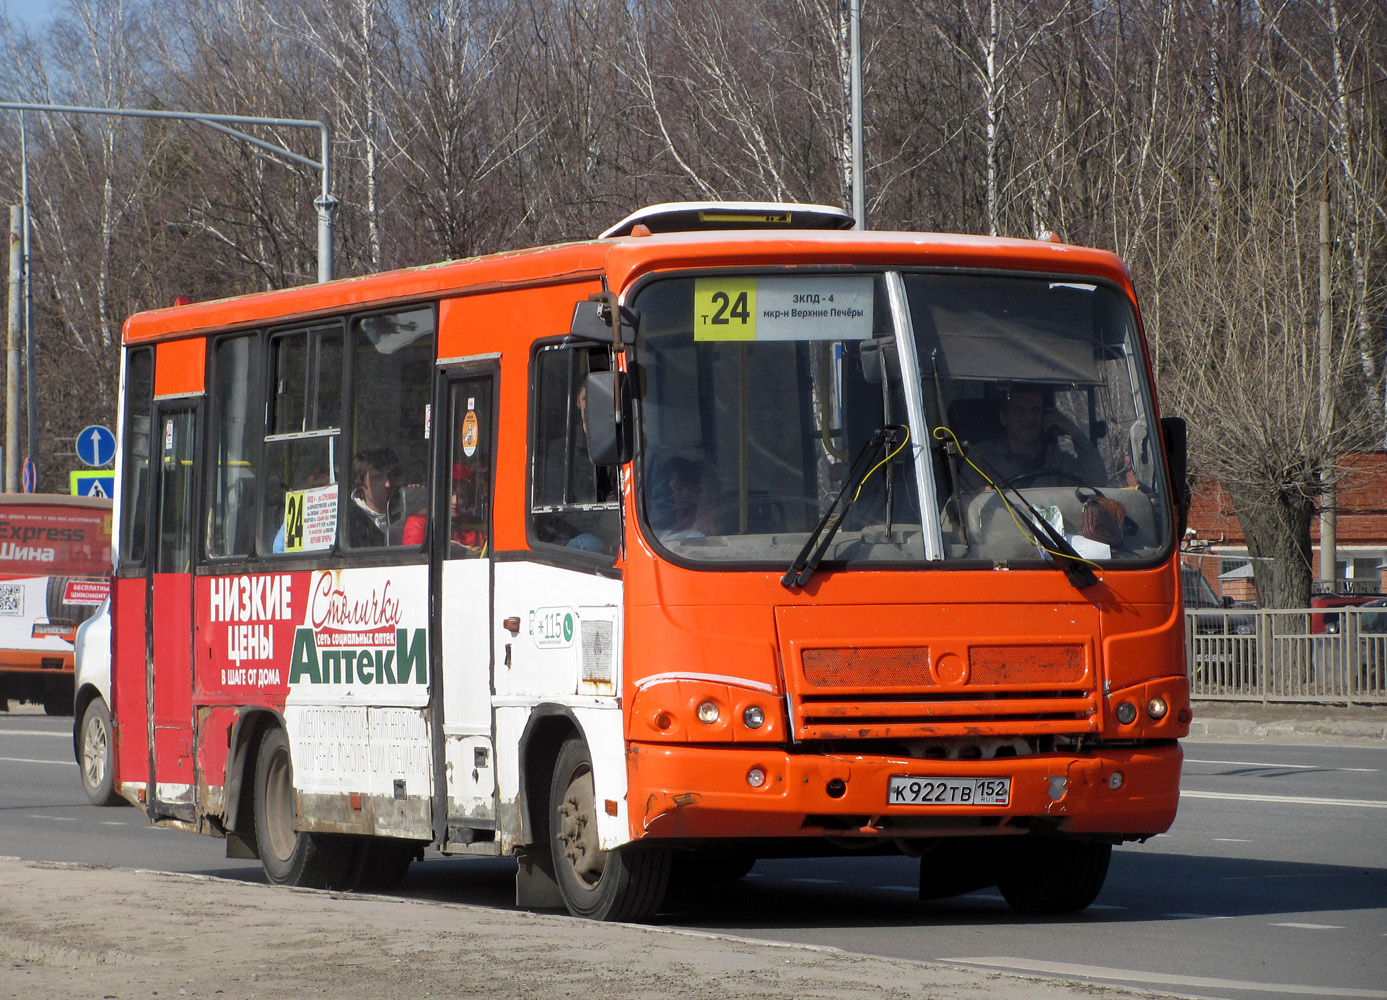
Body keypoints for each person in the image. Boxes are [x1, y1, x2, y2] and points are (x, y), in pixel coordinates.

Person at [966, 384, 1105, 488]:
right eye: (1020, 411)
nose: (1029, 417)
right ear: (1004, 417)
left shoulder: (1055, 459)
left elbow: (1097, 482)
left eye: (1035, 410)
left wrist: (1075, 432)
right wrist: (981, 497)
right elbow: (961, 507)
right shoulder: (981, 458)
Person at [348, 447, 404, 547]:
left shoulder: (406, 509)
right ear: (360, 482)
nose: (387, 484)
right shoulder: (349, 522)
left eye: (391, 476)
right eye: (377, 478)